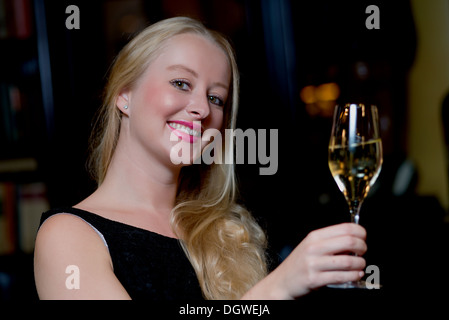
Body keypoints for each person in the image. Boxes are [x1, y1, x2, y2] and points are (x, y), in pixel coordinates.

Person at [34, 17, 367, 300]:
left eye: (216, 98)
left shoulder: (229, 234)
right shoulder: (66, 236)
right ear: (125, 95)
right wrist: (276, 289)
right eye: (181, 83)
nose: (203, 109)